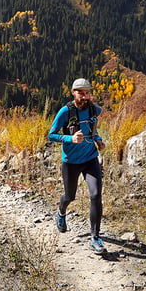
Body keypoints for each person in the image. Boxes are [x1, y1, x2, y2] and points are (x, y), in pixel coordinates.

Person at [48, 78, 107, 254]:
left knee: (96, 195)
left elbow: (93, 131)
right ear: (73, 93)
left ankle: (95, 238)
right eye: (81, 93)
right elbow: (51, 135)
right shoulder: (65, 112)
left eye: (87, 93)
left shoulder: (94, 110)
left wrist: (98, 140)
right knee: (70, 196)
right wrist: (69, 139)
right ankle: (61, 211)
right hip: (71, 162)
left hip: (90, 159)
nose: (85, 97)